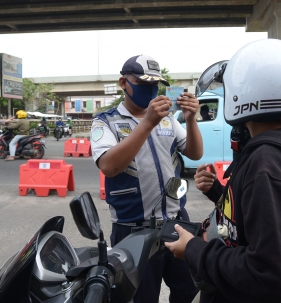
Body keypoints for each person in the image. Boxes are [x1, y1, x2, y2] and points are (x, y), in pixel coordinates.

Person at [165, 39, 281, 302]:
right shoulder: (270, 152)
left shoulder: (267, 165)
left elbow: (269, 273)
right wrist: (218, 192)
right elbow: (252, 220)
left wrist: (194, 250)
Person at [90, 54, 203, 303]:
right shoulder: (106, 122)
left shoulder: (168, 119)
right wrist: (147, 122)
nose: (150, 90)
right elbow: (108, 166)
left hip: (175, 224)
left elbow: (195, 153)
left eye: (155, 85)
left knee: (189, 291)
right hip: (132, 229)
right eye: (142, 83)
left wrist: (191, 119)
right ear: (123, 83)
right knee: (141, 297)